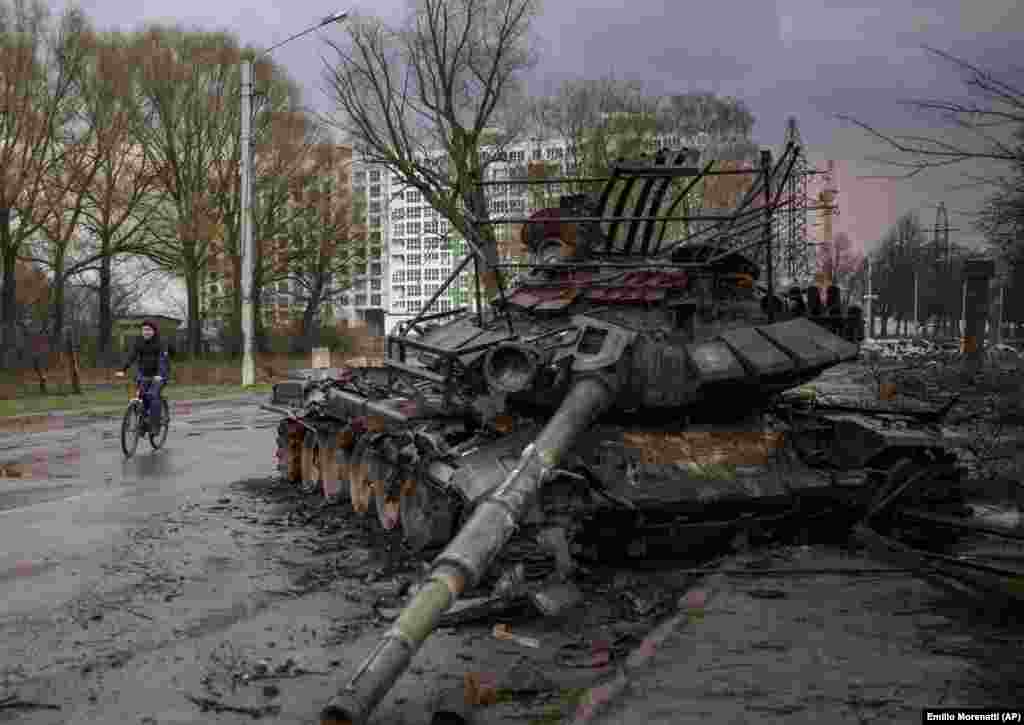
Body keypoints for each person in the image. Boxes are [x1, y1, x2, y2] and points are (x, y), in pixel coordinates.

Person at [115, 319, 171, 431]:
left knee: (153, 396)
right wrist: (123, 370)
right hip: (144, 375)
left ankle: (155, 425)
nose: (146, 332)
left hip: (159, 376)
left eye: (149, 329)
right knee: (139, 397)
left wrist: (160, 374)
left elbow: (162, 360)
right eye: (144, 330)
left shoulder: (161, 343)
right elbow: (131, 356)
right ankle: (142, 423)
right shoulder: (139, 342)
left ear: (154, 331)